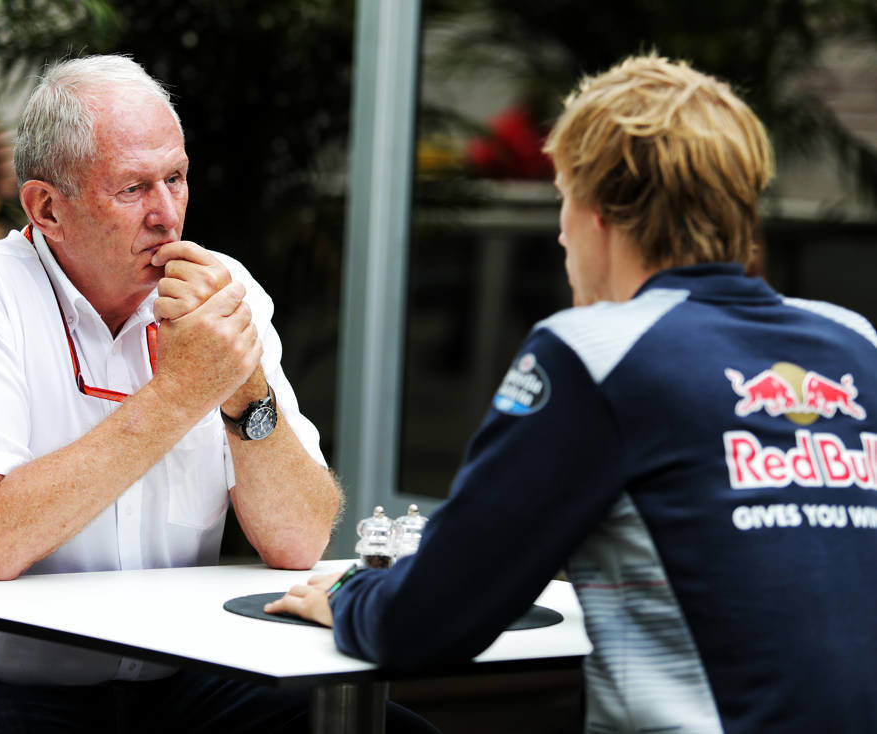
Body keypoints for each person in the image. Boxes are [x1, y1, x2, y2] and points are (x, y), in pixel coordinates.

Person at [268, 54, 877, 732]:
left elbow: (426, 620)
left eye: (564, 197)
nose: (559, 232)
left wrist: (351, 591)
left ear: (597, 215)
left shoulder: (597, 351)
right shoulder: (857, 344)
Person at [0, 54, 354, 732]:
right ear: (47, 208)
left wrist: (242, 384)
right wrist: (179, 392)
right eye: (134, 188)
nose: (167, 215)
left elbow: (300, 541)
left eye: (176, 178)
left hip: (176, 678)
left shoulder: (224, 293)